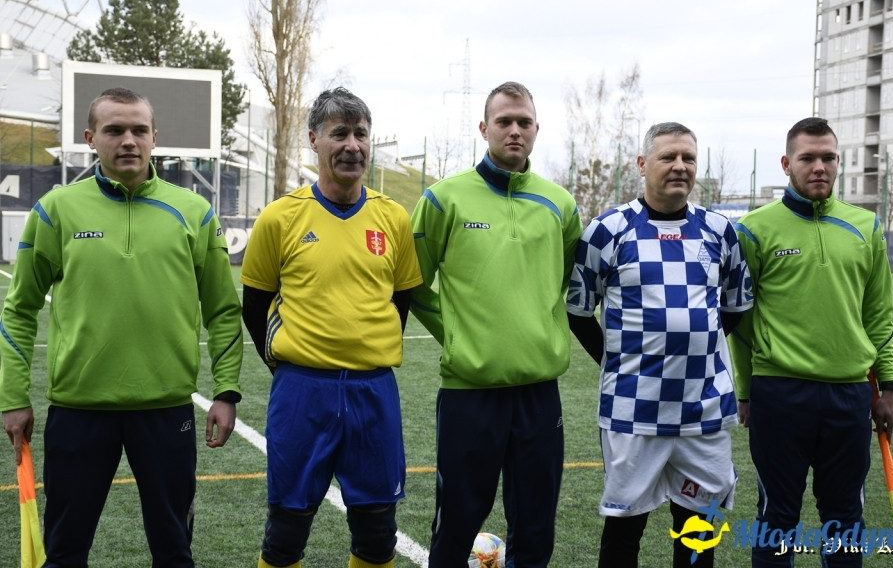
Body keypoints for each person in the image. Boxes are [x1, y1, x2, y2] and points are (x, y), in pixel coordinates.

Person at [0, 87, 243, 567]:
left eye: (138, 130)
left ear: (155, 137)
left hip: (167, 411)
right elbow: (19, 310)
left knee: (174, 554)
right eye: (114, 130)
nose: (128, 140)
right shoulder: (56, 209)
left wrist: (227, 391)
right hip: (78, 410)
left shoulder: (194, 211)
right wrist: (13, 397)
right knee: (64, 553)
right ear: (91, 138)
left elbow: (222, 309)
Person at [241, 87, 422, 568]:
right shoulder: (280, 217)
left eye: (361, 134)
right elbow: (254, 305)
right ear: (313, 140)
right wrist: (290, 363)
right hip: (301, 392)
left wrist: (365, 348)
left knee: (378, 533)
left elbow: (400, 300)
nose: (352, 145)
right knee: (286, 532)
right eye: (339, 133)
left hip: (373, 392)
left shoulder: (393, 218)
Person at [409, 80, 582, 567]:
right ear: (484, 129)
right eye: (504, 122)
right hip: (470, 393)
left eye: (524, 122)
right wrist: (457, 337)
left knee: (535, 527)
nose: (514, 131)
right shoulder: (443, 199)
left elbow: (564, 280)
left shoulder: (560, 204)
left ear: (537, 129)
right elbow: (414, 284)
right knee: (456, 522)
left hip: (539, 393)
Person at [566, 122, 754, 568]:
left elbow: (735, 306)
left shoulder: (720, 230)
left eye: (688, 158)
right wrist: (617, 362)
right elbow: (578, 311)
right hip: (633, 409)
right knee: (623, 530)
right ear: (642, 163)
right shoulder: (607, 230)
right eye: (668, 156)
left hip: (703, 411)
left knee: (697, 532)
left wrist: (696, 351)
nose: (680, 166)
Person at [729, 117, 893, 567]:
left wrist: (889, 388)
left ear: (839, 162)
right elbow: (741, 324)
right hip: (778, 394)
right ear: (787, 164)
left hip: (850, 395)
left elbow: (878, 315)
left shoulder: (866, 226)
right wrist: (745, 392)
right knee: (776, 519)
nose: (819, 166)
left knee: (845, 520)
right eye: (807, 158)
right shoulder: (753, 229)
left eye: (828, 157)